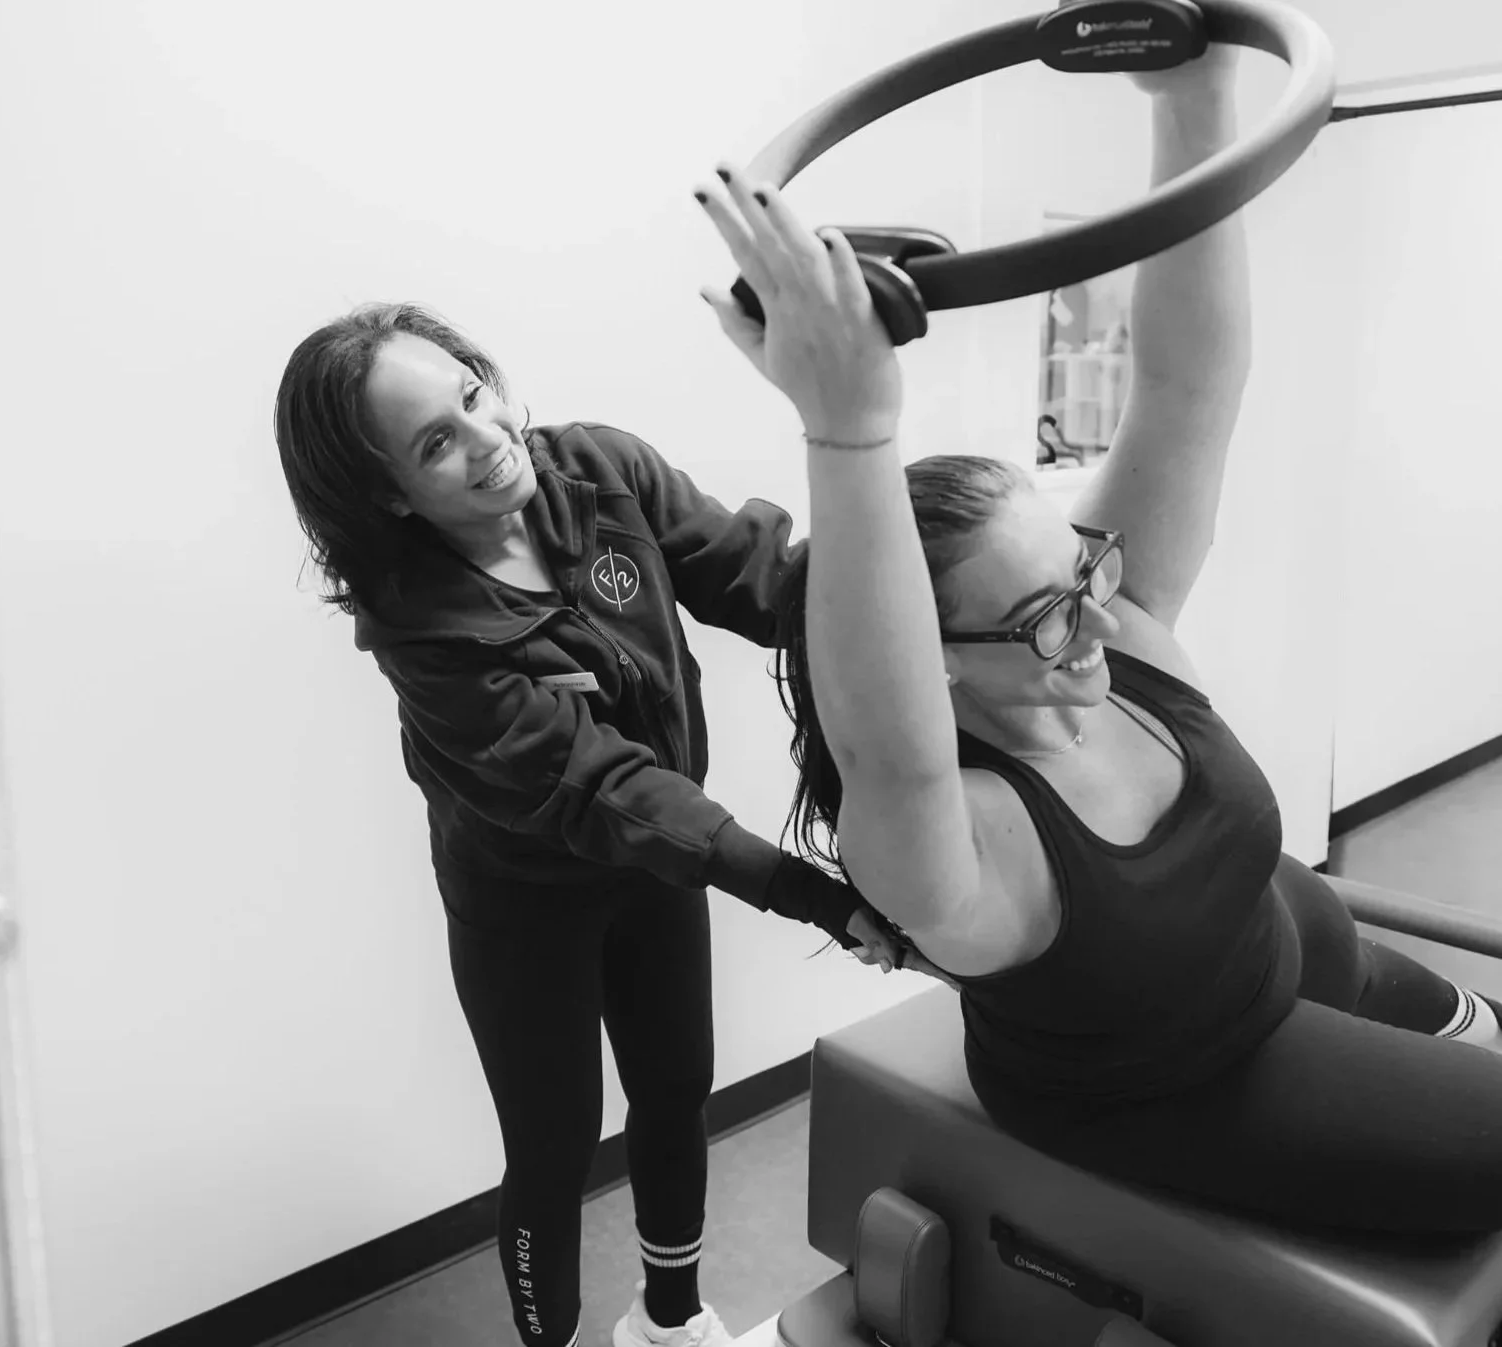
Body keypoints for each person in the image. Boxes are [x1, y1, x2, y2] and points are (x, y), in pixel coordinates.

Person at [694, 45, 1502, 1235]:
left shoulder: (1109, 622)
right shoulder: (945, 847)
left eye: (1083, 570)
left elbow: (1185, 389)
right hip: (1170, 1084)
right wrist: (846, 427)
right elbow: (889, 750)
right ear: (939, 661)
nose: (1095, 623)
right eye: (1042, 616)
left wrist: (1189, 100)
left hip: (1287, 940)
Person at [272, 307, 908, 1347]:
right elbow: (609, 788)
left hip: (653, 877)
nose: (487, 439)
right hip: (526, 910)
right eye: (436, 442)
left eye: (472, 392)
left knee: (673, 1094)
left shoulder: (597, 472)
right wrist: (817, 898)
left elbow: (758, 578)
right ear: (388, 491)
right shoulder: (427, 634)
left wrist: (907, 614)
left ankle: (667, 1323)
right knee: (554, 1148)